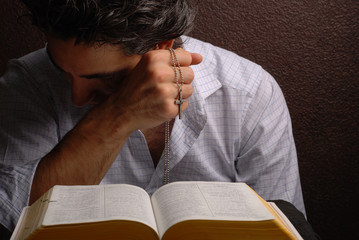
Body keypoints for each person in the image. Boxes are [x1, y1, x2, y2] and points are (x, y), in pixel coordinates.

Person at [0, 0, 305, 233]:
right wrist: (118, 114)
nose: (77, 97)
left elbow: (284, 227)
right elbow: (12, 223)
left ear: (162, 47)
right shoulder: (28, 84)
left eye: (107, 78)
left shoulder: (250, 93)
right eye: (63, 72)